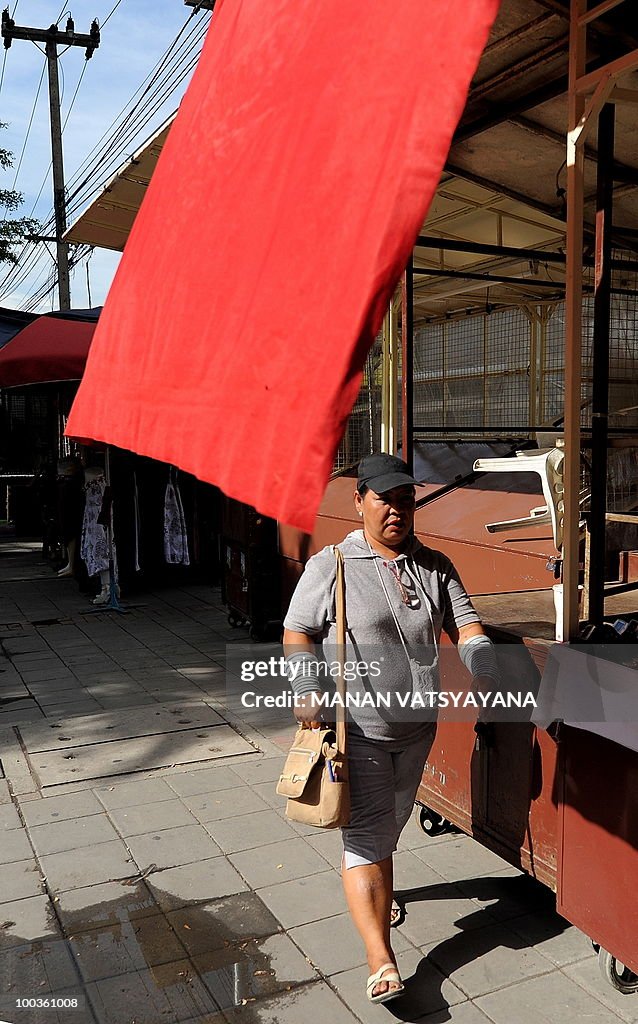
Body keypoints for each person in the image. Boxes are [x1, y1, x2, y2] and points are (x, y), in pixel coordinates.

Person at [283, 453, 499, 1004]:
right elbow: (297, 630)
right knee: (367, 837)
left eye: (406, 501)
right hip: (359, 730)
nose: (397, 511)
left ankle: (383, 891)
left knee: (390, 825)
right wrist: (306, 687)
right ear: (359, 500)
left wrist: (483, 660)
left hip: (417, 728)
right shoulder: (332, 564)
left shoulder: (434, 565)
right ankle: (381, 957)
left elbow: (466, 624)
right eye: (385, 500)